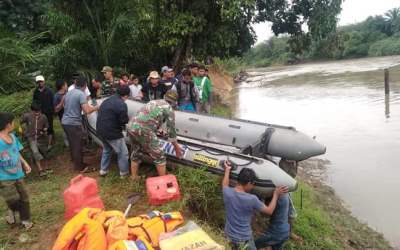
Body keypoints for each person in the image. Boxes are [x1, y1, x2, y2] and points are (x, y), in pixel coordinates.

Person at [222, 163, 288, 250]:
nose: (253, 186)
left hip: (228, 236)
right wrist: (276, 194)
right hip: (244, 239)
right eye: (253, 184)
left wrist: (227, 170)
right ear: (249, 183)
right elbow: (269, 211)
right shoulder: (252, 199)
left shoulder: (227, 193)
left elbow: (225, 184)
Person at [127, 90, 182, 180]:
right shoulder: (169, 109)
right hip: (144, 130)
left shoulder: (153, 102)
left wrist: (158, 129)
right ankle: (163, 181)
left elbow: (145, 116)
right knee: (159, 155)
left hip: (131, 126)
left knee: (136, 151)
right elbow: (171, 132)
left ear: (165, 96)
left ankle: (134, 176)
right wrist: (177, 148)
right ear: (175, 102)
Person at [0, 112, 33, 229]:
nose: (14, 124)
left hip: (18, 173)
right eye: (13, 122)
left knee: (24, 196)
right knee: (12, 199)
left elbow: (16, 152)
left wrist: (25, 163)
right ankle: (12, 211)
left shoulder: (13, 137)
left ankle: (25, 220)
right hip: (4, 177)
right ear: (7, 125)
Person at [62, 76, 99, 172]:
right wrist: (96, 108)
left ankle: (78, 163)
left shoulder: (69, 93)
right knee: (78, 144)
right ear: (85, 85)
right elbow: (86, 110)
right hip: (73, 123)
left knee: (73, 143)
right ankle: (80, 167)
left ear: (75, 84)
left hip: (65, 122)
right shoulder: (81, 94)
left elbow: (64, 105)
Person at [97, 85, 130, 178]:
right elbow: (123, 121)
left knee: (107, 149)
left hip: (100, 129)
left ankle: (103, 170)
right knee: (123, 152)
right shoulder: (122, 104)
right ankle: (124, 173)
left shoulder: (107, 100)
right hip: (111, 131)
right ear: (126, 96)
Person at [20, 102, 51, 177]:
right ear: (31, 111)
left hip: (41, 137)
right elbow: (20, 122)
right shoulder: (27, 116)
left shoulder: (43, 117)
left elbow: (47, 125)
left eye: (38, 111)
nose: (37, 113)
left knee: (45, 153)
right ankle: (40, 170)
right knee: (35, 152)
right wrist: (23, 131)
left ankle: (46, 168)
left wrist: (45, 129)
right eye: (35, 112)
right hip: (31, 138)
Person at [32, 75, 54, 148]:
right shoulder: (36, 92)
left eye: (41, 81)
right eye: (38, 82)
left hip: (49, 112)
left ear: (44, 81)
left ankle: (50, 143)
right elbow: (34, 102)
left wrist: (53, 111)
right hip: (40, 113)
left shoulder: (49, 91)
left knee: (50, 127)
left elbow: (52, 101)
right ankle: (42, 142)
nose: (39, 83)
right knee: (40, 127)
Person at [53, 79, 69, 147]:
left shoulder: (68, 93)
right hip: (63, 117)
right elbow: (56, 110)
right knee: (66, 130)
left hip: (71, 115)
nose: (67, 86)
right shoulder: (56, 96)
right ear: (62, 86)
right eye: (66, 85)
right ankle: (67, 143)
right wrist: (62, 102)